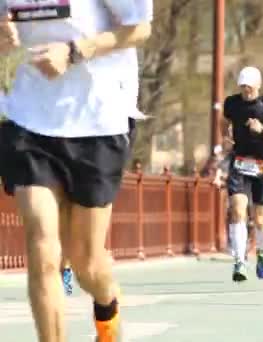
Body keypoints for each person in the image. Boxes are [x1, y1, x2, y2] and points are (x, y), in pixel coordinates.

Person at [0, 1, 153, 341]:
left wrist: (74, 51)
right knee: (42, 247)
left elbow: (140, 28)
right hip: (29, 118)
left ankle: (107, 307)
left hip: (98, 121)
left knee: (86, 264)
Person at [222, 66, 263, 282]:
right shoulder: (231, 103)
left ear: (258, 85)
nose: (246, 90)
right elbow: (228, 121)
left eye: (249, 86)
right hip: (239, 161)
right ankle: (239, 260)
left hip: (262, 164)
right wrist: (228, 134)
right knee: (237, 210)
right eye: (243, 86)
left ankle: (261, 252)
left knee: (259, 218)